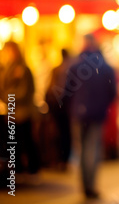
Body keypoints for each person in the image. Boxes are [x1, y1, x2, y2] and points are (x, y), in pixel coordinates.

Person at [62, 34, 117, 199]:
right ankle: (91, 185)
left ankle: (85, 186)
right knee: (92, 149)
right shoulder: (106, 67)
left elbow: (66, 92)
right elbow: (113, 92)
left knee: (81, 149)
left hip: (78, 114)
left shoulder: (74, 65)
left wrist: (72, 108)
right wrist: (103, 106)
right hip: (97, 114)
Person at [0, 41, 41, 178]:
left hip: (22, 112)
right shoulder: (8, 68)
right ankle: (18, 168)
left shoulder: (22, 68)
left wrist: (8, 96)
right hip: (12, 111)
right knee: (14, 141)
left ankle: (32, 168)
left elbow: (24, 92)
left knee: (26, 140)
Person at [45, 48, 73, 170]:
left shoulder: (57, 69)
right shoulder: (71, 70)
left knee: (57, 132)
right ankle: (64, 160)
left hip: (56, 106)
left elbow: (49, 88)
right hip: (65, 107)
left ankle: (58, 159)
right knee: (66, 133)